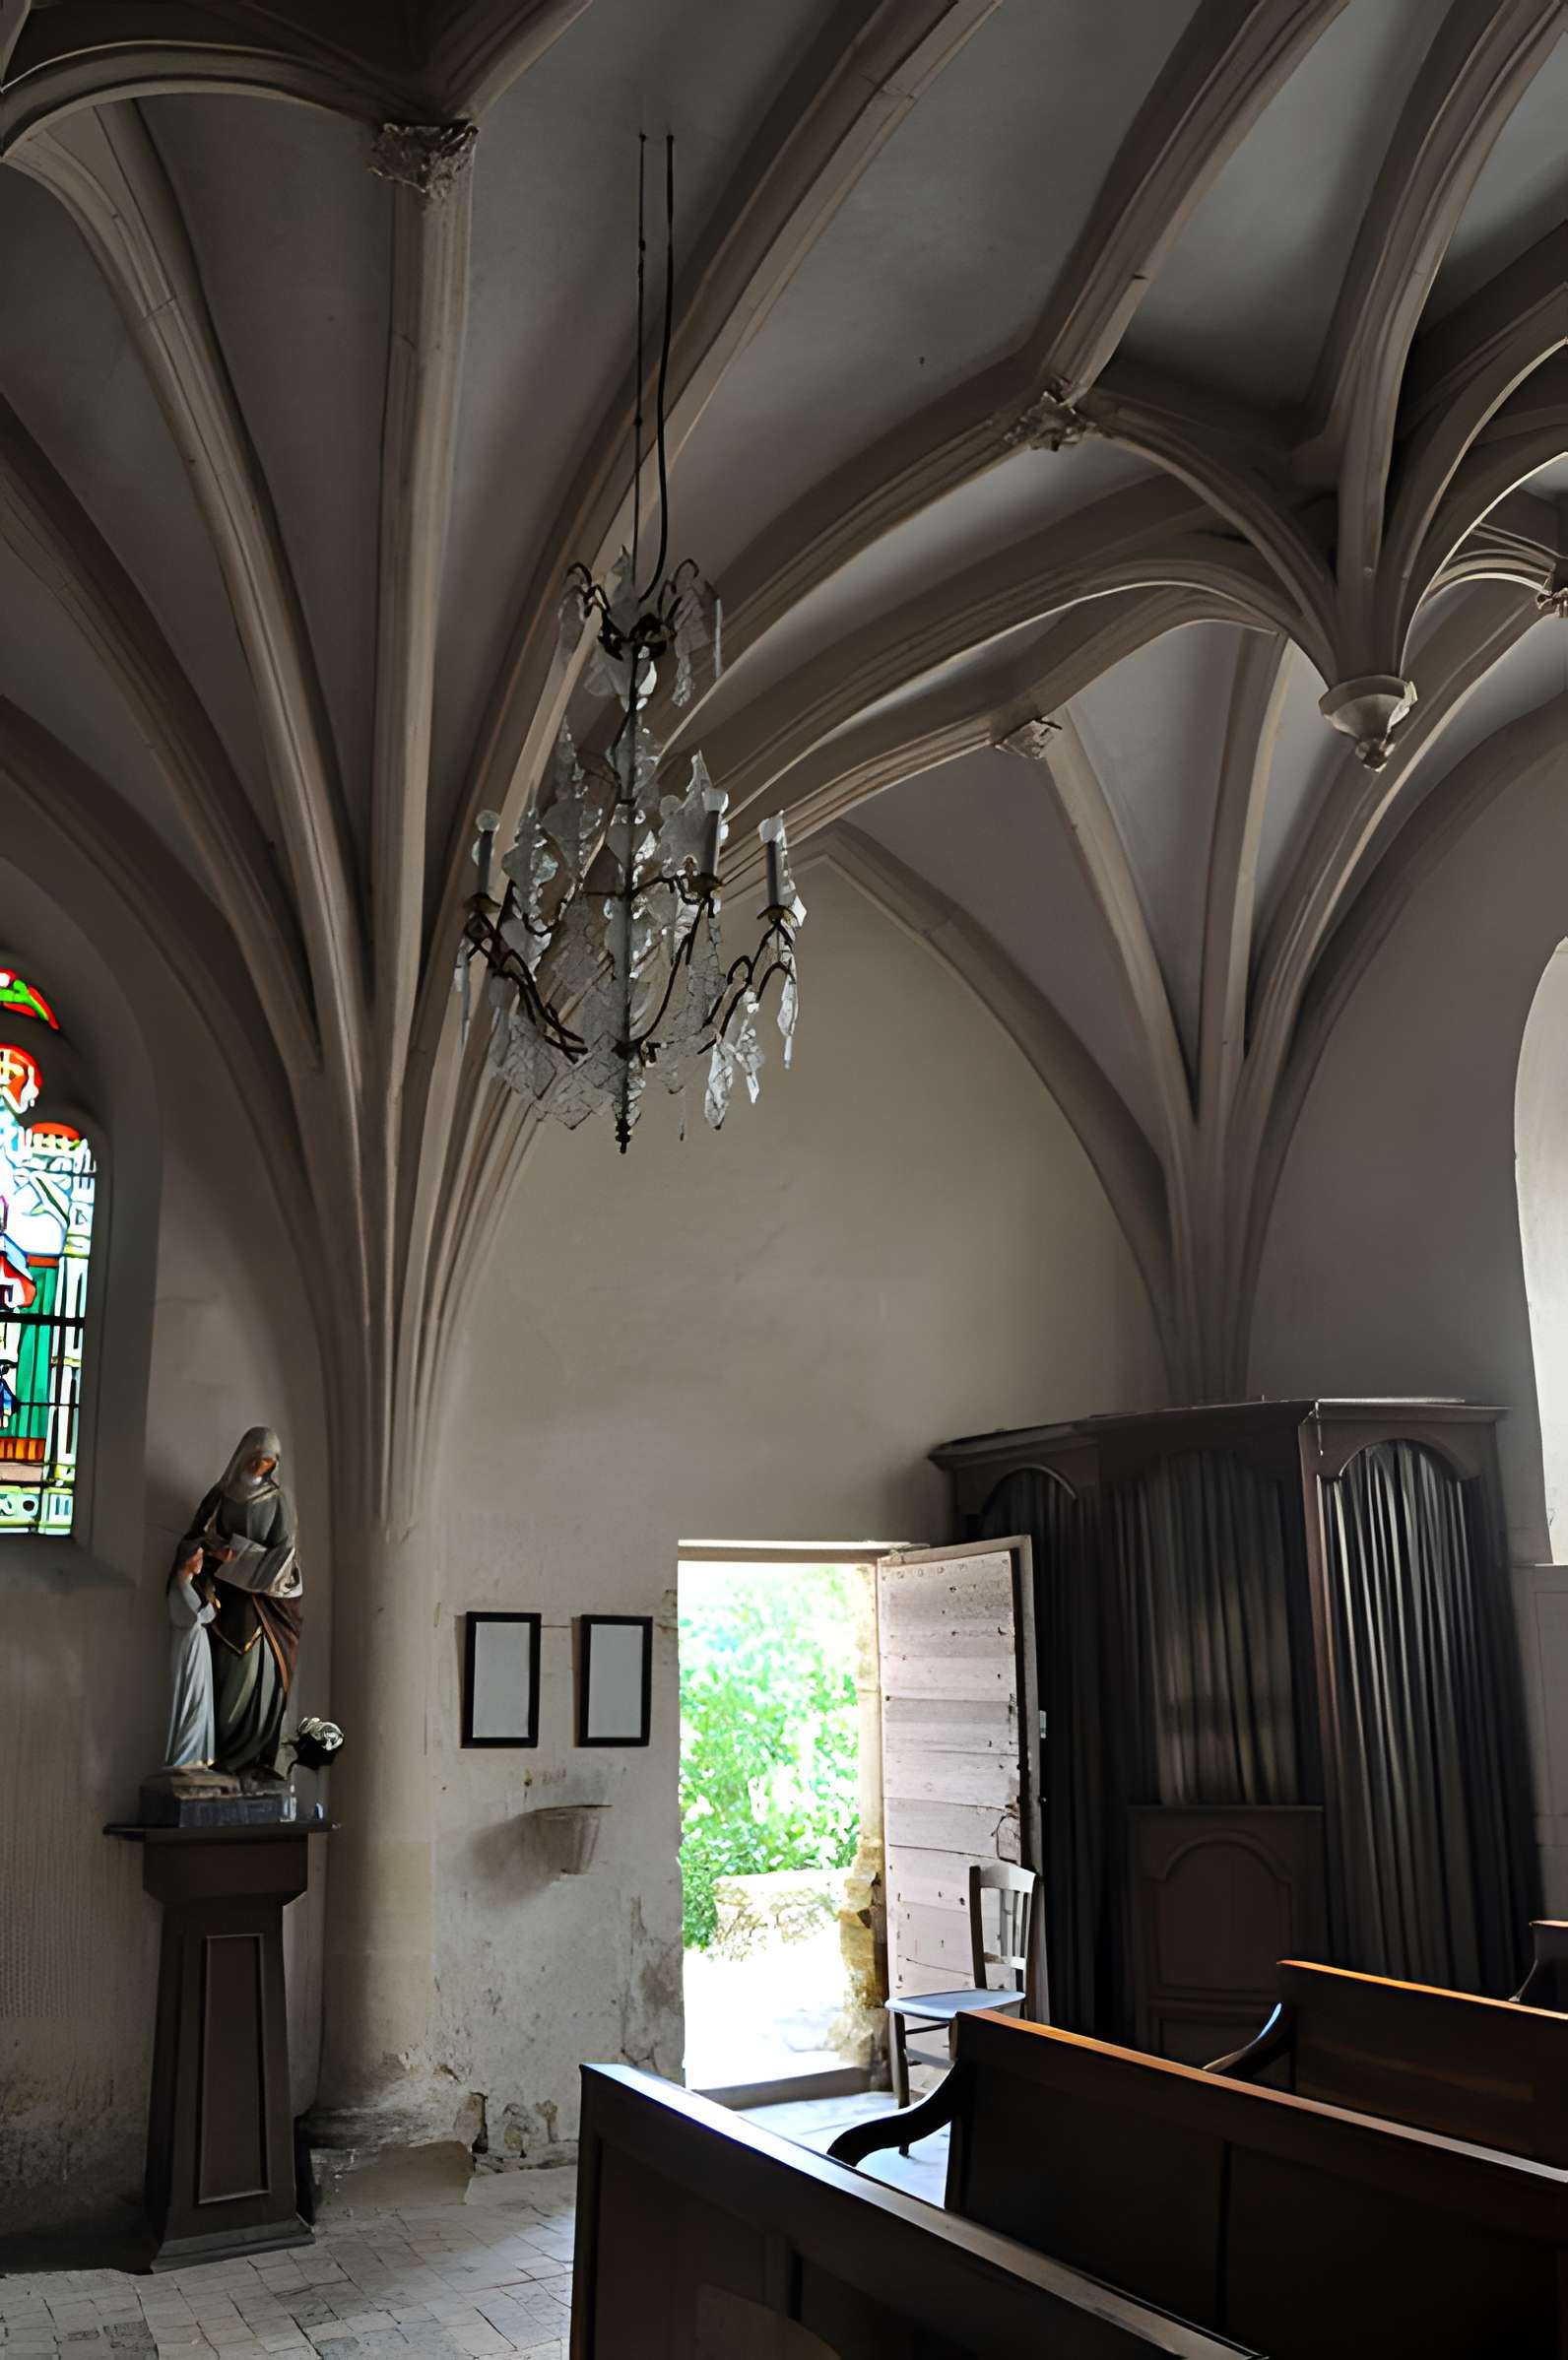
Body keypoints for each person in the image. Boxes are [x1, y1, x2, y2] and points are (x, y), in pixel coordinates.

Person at [163, 1426, 302, 1776]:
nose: (260, 1467)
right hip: (223, 1605)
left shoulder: (278, 1500)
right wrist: (213, 1552)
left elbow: (285, 1554)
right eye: (256, 1459)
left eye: (268, 1462)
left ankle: (252, 1762)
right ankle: (222, 1758)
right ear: (244, 1456)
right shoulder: (221, 1497)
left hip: (264, 1609)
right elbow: (192, 1543)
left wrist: (246, 1560)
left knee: (258, 1678)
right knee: (225, 1681)